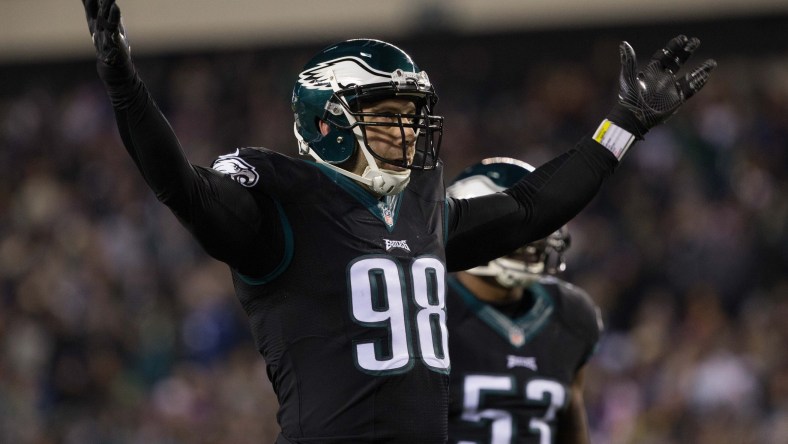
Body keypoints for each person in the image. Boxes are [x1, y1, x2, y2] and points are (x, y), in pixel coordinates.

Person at [80, 0, 716, 442]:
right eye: (387, 113)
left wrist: (624, 125)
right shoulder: (282, 197)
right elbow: (182, 188)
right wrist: (124, 85)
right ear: (327, 122)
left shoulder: (417, 209)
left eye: (413, 114)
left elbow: (529, 209)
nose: (407, 130)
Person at [445, 158, 601, 444]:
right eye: (515, 224)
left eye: (535, 225)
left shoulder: (572, 313)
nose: (531, 237)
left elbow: (572, 426)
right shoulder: (429, 307)